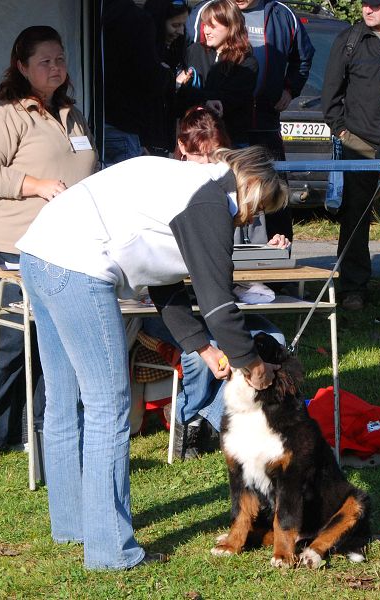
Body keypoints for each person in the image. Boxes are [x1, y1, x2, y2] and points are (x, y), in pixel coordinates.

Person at [16, 146, 287, 569]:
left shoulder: (185, 186)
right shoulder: (209, 200)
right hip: (76, 265)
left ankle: (74, 527)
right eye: (259, 208)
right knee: (109, 408)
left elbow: (164, 285)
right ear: (251, 185)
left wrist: (204, 347)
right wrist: (251, 363)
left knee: (65, 403)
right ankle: (111, 551)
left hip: (38, 254)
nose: (251, 220)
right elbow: (217, 302)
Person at [0, 26, 98, 465]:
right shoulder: (2, 118)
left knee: (51, 340)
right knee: (11, 340)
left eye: (60, 59)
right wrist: (34, 184)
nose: (56, 68)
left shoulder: (73, 115)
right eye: (45, 62)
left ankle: (31, 428)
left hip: (69, 247)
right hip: (16, 245)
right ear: (22, 66)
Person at [150, 106, 288, 459]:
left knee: (273, 339)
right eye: (201, 154)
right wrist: (252, 366)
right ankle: (192, 419)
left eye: (214, 154)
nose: (208, 164)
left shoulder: (230, 200)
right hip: (172, 309)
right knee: (209, 354)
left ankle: (218, 422)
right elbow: (190, 294)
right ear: (182, 147)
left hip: (215, 305)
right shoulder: (201, 199)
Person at [186, 0, 315, 240]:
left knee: (271, 192)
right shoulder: (206, 11)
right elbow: (189, 61)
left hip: (264, 122)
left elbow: (304, 57)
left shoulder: (282, 14)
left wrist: (290, 89)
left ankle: (278, 259)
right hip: (218, 130)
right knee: (227, 193)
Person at [321, 0, 380, 319]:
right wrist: (343, 133)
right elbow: (331, 94)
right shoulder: (350, 39)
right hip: (360, 143)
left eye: (375, 4)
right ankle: (353, 288)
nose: (367, 10)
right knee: (355, 217)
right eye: (364, 4)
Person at [176, 0, 258, 146]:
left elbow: (226, 100)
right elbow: (181, 94)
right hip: (193, 140)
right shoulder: (194, 51)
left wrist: (199, 97)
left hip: (229, 144)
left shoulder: (247, 63)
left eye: (212, 26)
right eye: (205, 25)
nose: (206, 31)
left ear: (231, 27)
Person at [102, 0, 172, 163]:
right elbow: (148, 76)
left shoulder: (101, 13)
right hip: (123, 122)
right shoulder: (136, 19)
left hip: (96, 117)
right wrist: (167, 75)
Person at [143, 0, 191, 155]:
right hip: (146, 141)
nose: (181, 32)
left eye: (183, 25)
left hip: (164, 140)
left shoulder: (172, 52)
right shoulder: (146, 56)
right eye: (175, 25)